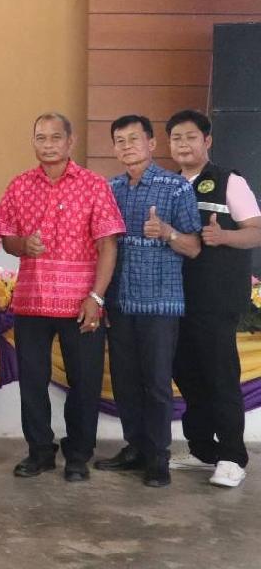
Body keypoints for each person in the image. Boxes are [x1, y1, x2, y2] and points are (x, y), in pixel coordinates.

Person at [0, 112, 124, 482]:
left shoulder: (94, 185)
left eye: (56, 137)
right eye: (41, 137)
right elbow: (7, 238)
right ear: (33, 142)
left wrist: (96, 298)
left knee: (84, 382)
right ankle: (39, 452)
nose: (48, 144)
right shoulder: (19, 186)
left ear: (71, 142)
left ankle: (78, 455)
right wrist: (24, 245)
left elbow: (108, 245)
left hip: (81, 305)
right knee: (32, 382)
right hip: (32, 302)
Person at [95, 115, 201, 488]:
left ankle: (158, 458)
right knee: (125, 381)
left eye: (134, 139)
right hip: (120, 302)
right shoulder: (109, 189)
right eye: (120, 140)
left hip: (160, 304)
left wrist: (168, 232)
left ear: (151, 144)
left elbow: (194, 247)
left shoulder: (176, 188)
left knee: (156, 384)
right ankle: (135, 448)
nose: (127, 146)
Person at [166, 109, 261, 488]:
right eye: (176, 138)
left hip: (216, 299)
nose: (183, 144)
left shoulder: (229, 182)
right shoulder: (170, 184)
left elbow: (256, 231)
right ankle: (203, 449)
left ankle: (233, 457)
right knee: (187, 374)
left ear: (207, 141)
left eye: (191, 137)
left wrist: (225, 237)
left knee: (219, 376)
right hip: (177, 299)